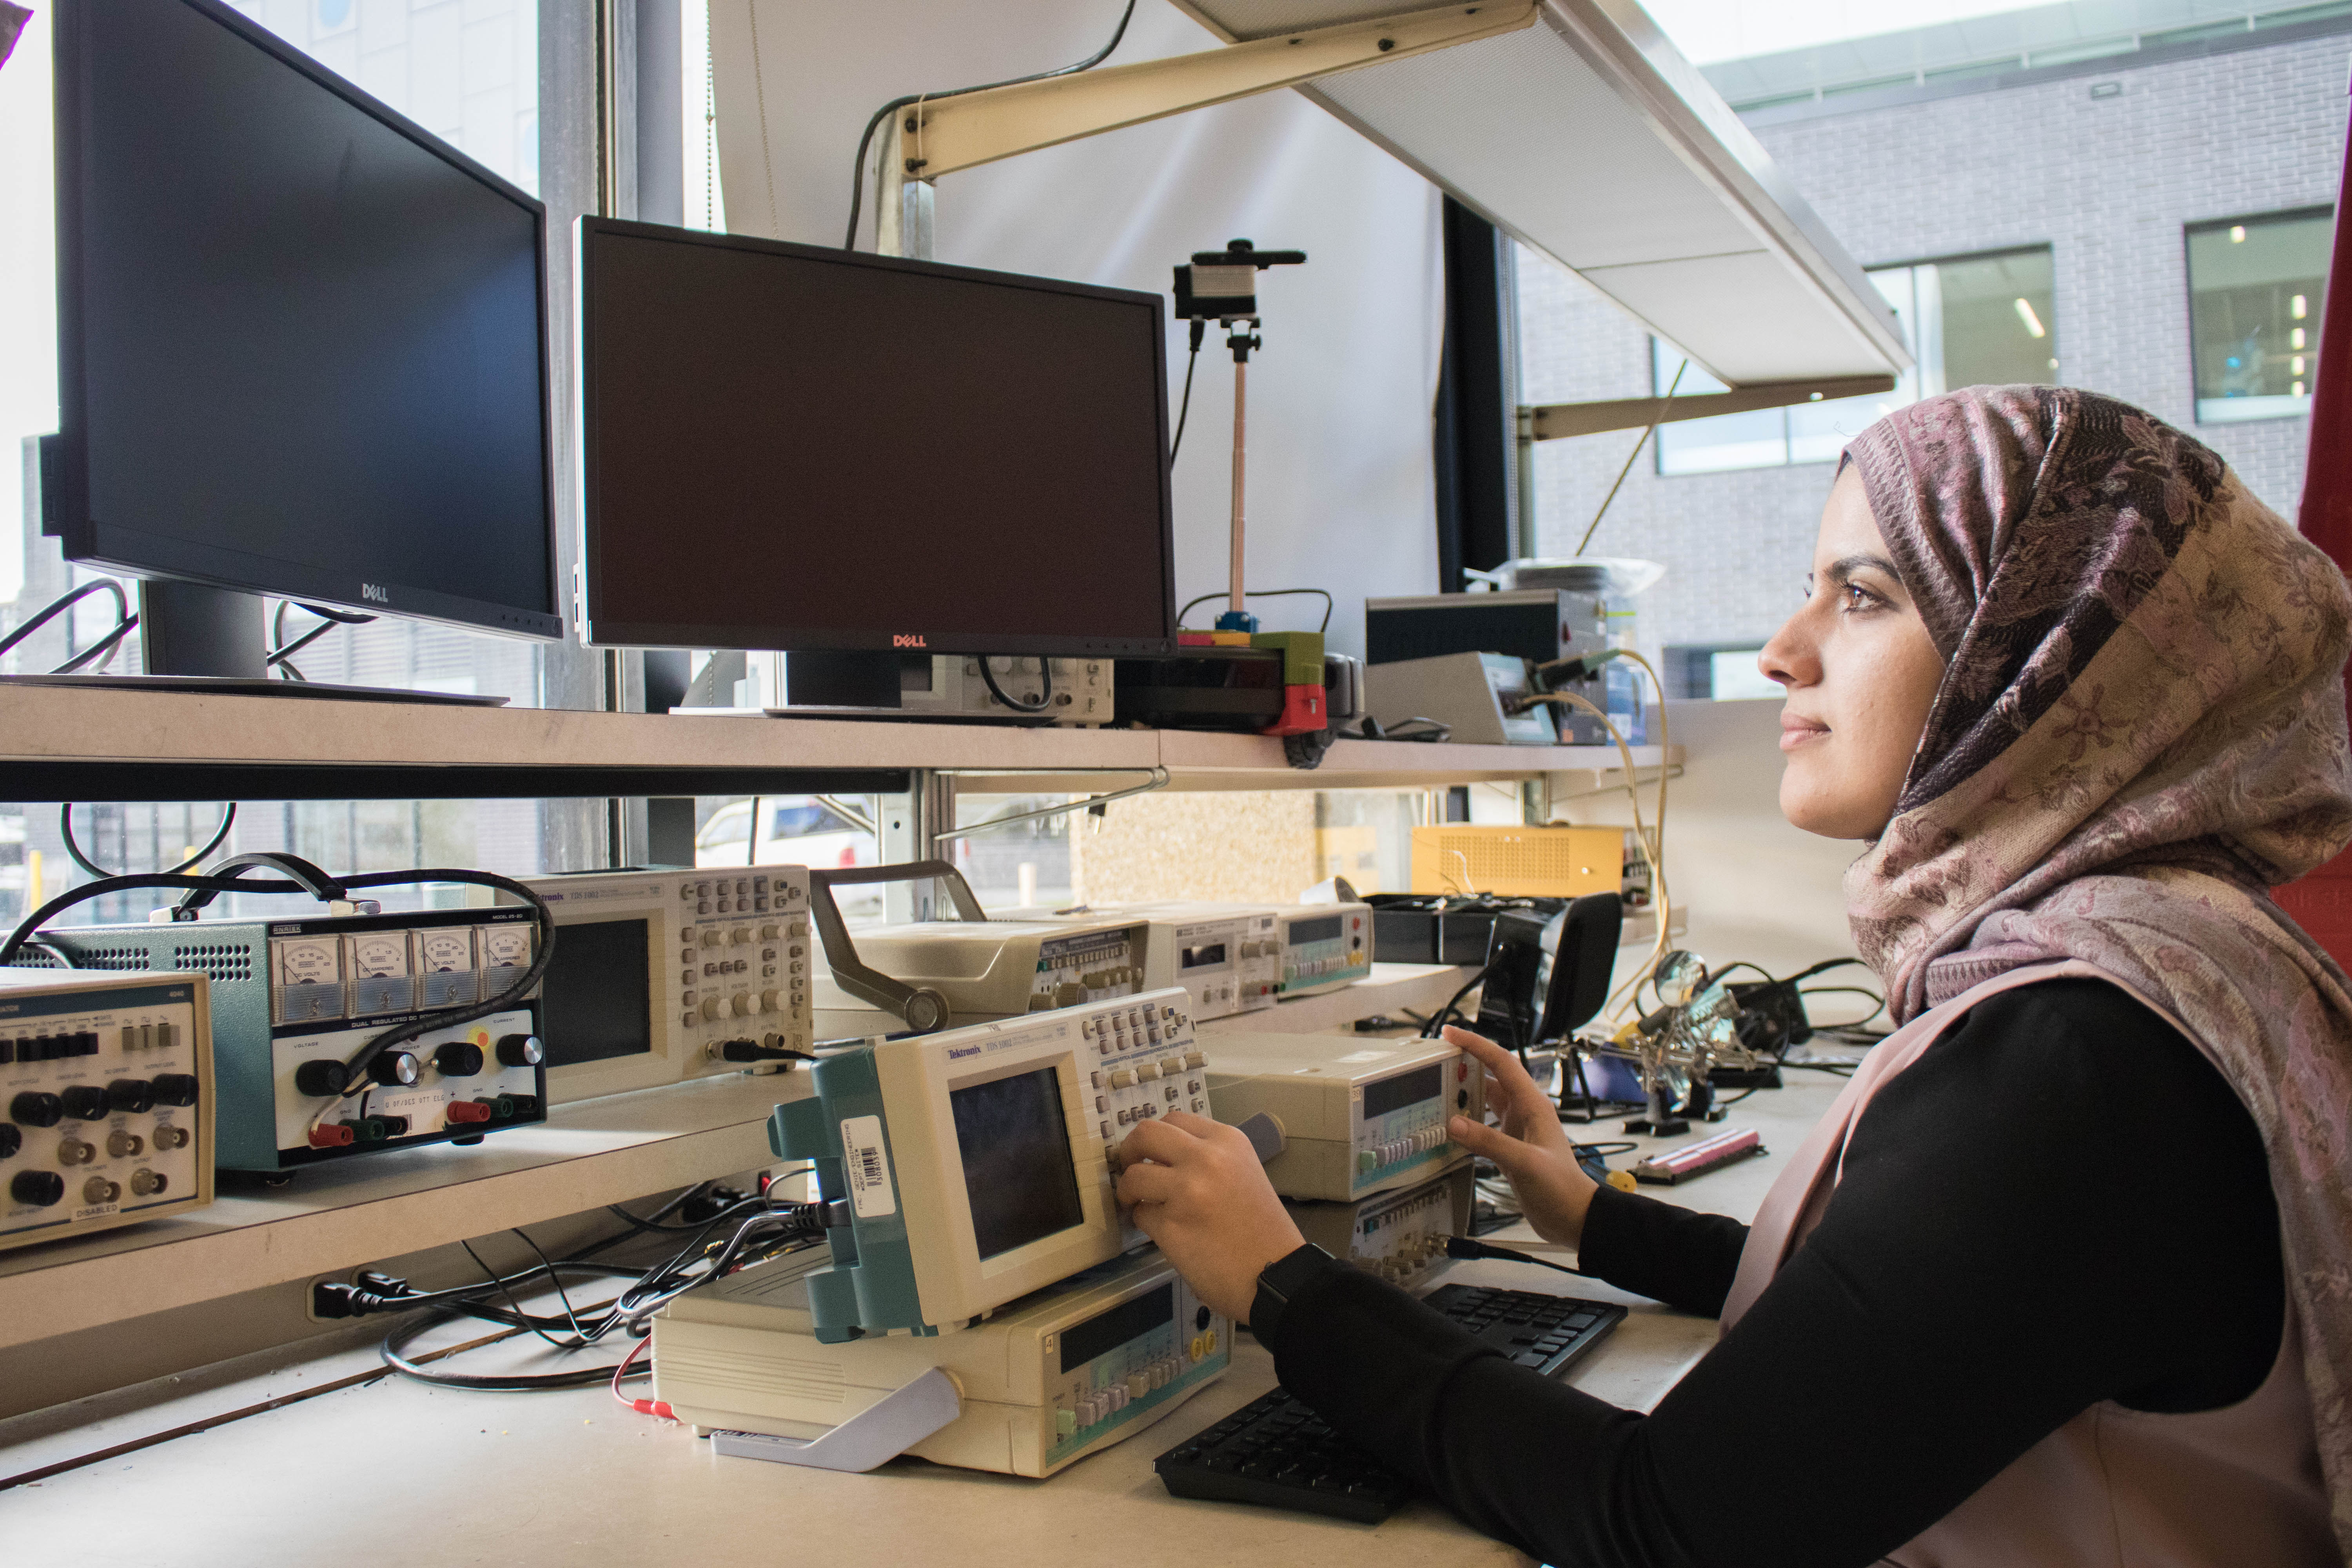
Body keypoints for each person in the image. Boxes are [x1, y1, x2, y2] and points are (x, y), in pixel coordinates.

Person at [1113, 386, 2352, 1567]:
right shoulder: (2159, 960)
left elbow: (1670, 1524)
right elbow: (1912, 1336)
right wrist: (1598, 1221)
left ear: (2046, 654)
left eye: (1862, 597)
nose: (1779, 651)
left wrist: (1285, 1287)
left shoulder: (2076, 1056)